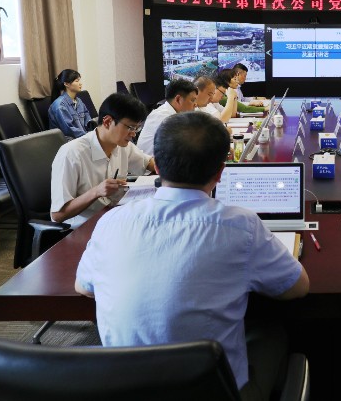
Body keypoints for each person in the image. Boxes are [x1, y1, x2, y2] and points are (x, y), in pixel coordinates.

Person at [75, 111, 309, 400]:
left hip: (124, 389)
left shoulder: (111, 221)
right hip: (213, 392)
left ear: (157, 166)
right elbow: (297, 287)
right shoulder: (241, 226)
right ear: (220, 172)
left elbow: (83, 287)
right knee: (273, 332)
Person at [50, 93, 156, 228]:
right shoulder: (71, 154)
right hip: (83, 227)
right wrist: (96, 192)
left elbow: (148, 163)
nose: (134, 134)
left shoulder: (122, 145)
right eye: (130, 127)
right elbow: (58, 215)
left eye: (137, 128)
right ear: (107, 122)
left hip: (113, 218)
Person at [135, 78, 198, 156]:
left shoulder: (170, 113)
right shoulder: (165, 117)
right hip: (151, 162)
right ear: (178, 99)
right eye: (193, 100)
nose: (195, 104)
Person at [47, 69, 91, 139]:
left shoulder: (79, 101)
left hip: (82, 138)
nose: (80, 83)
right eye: (77, 81)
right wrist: (89, 137)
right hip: (68, 142)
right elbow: (70, 130)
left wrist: (93, 132)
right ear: (66, 84)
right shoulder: (60, 106)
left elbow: (88, 121)